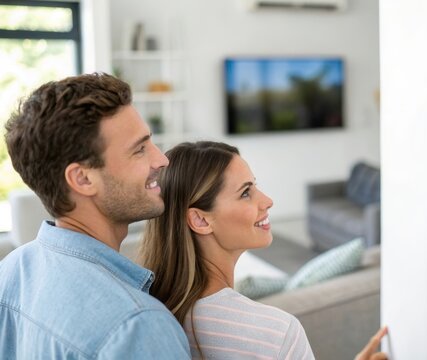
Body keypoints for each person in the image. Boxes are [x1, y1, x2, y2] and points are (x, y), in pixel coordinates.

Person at [0, 73, 190, 359]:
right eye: (139, 150)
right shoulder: (137, 326)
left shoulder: (11, 271)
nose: (161, 159)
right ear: (83, 179)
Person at [139, 140, 387, 359]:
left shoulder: (150, 316)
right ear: (201, 220)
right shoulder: (276, 332)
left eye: (255, 187)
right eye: (246, 192)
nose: (267, 201)